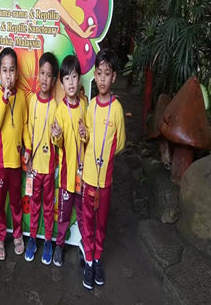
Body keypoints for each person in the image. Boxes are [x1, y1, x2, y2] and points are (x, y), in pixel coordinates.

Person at [81, 48, 125, 290]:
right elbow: (87, 136)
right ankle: (88, 260)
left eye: (107, 74)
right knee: (88, 220)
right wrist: (83, 133)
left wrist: (105, 157)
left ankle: (97, 258)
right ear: (94, 76)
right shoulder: (91, 106)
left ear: (114, 77)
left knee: (101, 222)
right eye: (99, 73)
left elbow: (121, 143)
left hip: (105, 180)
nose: (102, 79)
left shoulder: (116, 109)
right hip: (88, 177)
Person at [0, 47, 31, 261]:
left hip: (16, 162)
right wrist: (5, 100)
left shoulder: (23, 97)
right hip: (1, 162)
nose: (8, 75)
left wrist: (28, 148)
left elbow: (24, 126)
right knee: (0, 204)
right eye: (5, 71)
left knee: (16, 202)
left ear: (17, 73)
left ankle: (17, 235)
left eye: (12, 70)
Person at [51, 54, 87, 267]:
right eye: (67, 78)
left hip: (83, 173)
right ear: (61, 83)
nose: (71, 82)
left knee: (83, 213)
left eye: (74, 77)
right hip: (66, 173)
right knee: (64, 213)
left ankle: (85, 246)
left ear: (79, 79)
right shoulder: (60, 109)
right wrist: (56, 135)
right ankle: (59, 245)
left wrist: (85, 133)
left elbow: (87, 136)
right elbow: (57, 141)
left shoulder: (84, 105)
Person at [24, 52, 59, 265]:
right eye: (42, 73)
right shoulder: (32, 102)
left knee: (48, 206)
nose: (44, 78)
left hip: (49, 167)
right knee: (34, 204)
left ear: (54, 80)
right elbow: (28, 130)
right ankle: (32, 239)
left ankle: (47, 241)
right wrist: (28, 155)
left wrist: (56, 135)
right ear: (38, 74)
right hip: (35, 167)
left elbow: (56, 138)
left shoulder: (56, 106)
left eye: (49, 75)